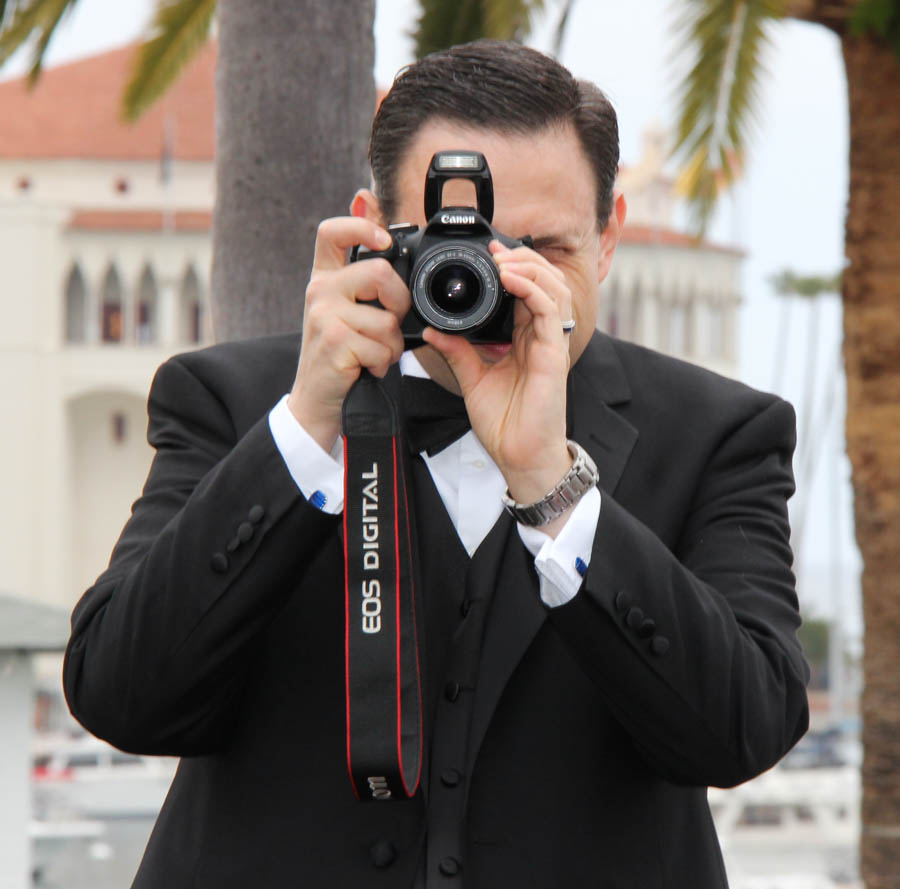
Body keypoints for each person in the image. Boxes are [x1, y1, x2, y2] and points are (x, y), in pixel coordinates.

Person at [63, 40, 809, 888]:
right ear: (368, 231)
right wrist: (309, 428)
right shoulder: (236, 405)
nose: (493, 279)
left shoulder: (719, 433)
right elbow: (119, 693)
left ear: (608, 240)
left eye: (544, 250)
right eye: (460, 240)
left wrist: (554, 486)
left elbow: (744, 728)